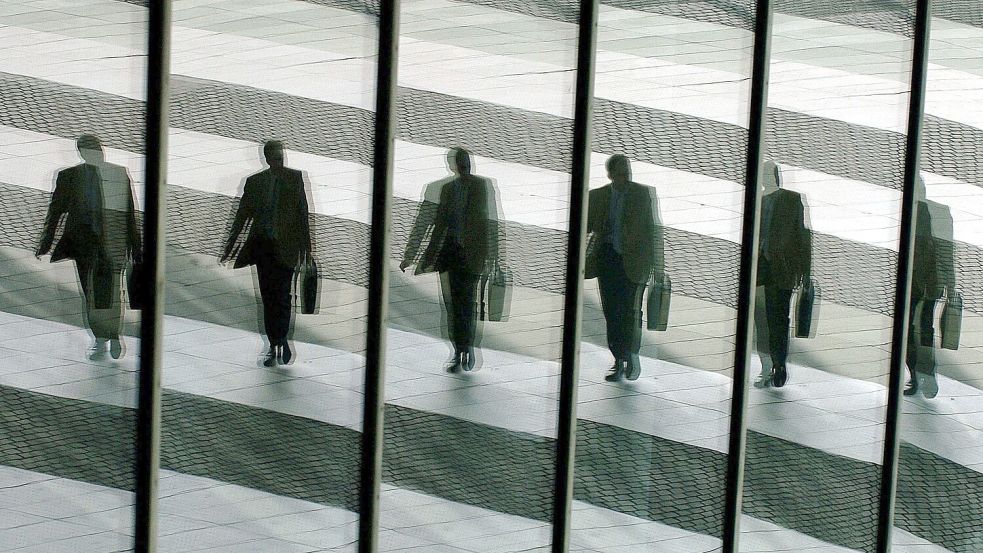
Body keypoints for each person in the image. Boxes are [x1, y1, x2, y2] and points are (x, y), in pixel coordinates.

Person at [37, 135, 141, 360]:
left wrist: (136, 247)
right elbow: (55, 212)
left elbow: (129, 214)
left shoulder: (117, 174)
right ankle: (103, 338)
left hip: (113, 242)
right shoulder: (70, 177)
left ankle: (110, 336)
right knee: (92, 293)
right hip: (85, 245)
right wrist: (46, 242)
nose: (97, 155)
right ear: (83, 154)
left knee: (111, 292)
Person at [400, 148, 499, 372]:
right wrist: (411, 254)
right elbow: (431, 224)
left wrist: (493, 256)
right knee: (455, 305)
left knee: (466, 305)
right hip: (452, 255)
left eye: (465, 161)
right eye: (460, 162)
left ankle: (465, 348)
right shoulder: (447, 190)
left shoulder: (481, 186)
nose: (464, 165)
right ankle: (460, 350)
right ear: (454, 166)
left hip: (472, 256)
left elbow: (490, 222)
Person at [222, 140, 313, 367]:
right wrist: (230, 247)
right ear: (267, 158)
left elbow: (303, 215)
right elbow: (242, 217)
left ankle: (280, 340)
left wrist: (307, 250)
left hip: (287, 248)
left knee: (283, 297)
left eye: (281, 156)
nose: (279, 160)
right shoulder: (255, 183)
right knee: (268, 298)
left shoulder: (295, 178)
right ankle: (275, 343)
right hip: (263, 249)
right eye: (276, 157)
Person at [585, 154, 661, 382]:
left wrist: (657, 266)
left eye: (627, 172)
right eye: (619, 173)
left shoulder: (642, 194)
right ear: (610, 175)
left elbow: (653, 230)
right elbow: (585, 225)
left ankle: (630, 354)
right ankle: (619, 359)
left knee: (630, 311)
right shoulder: (598, 196)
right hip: (608, 259)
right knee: (611, 311)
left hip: (634, 261)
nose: (624, 177)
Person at [754, 161, 811, 388]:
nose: (766, 179)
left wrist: (804, 272)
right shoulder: (758, 199)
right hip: (760, 268)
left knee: (778, 319)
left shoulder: (791, 199)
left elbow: (803, 237)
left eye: (769, 174)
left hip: (782, 269)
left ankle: (779, 364)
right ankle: (768, 366)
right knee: (761, 320)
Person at [904, 177, 955, 398]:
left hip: (923, 281)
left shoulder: (925, 213)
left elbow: (944, 250)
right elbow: (946, 251)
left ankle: (920, 375)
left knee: (917, 328)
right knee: (922, 328)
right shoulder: (935, 212)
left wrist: (949, 283)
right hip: (921, 281)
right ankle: (921, 375)